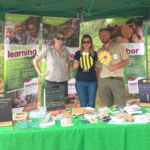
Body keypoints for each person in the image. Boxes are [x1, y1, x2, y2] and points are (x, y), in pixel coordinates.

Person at [96, 28, 130, 107]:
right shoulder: (99, 51)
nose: (104, 36)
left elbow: (127, 61)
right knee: (108, 106)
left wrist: (114, 67)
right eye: (102, 35)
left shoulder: (118, 47)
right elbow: (99, 67)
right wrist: (99, 82)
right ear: (99, 37)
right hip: (104, 81)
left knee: (120, 105)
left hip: (116, 80)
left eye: (105, 34)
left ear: (109, 35)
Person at [33, 29, 70, 98]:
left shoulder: (65, 51)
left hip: (63, 81)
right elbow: (35, 60)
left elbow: (68, 62)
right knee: (51, 104)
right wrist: (40, 73)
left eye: (62, 38)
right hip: (51, 81)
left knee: (62, 104)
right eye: (58, 38)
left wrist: (68, 71)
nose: (60, 40)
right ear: (54, 38)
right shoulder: (47, 50)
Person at [72, 34, 97, 108]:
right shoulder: (77, 53)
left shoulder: (94, 54)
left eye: (88, 42)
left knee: (91, 104)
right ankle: (84, 119)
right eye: (84, 42)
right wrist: (75, 66)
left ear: (91, 43)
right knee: (83, 104)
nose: (86, 44)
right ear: (82, 43)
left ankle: (92, 118)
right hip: (80, 82)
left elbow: (96, 67)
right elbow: (74, 68)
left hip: (92, 82)